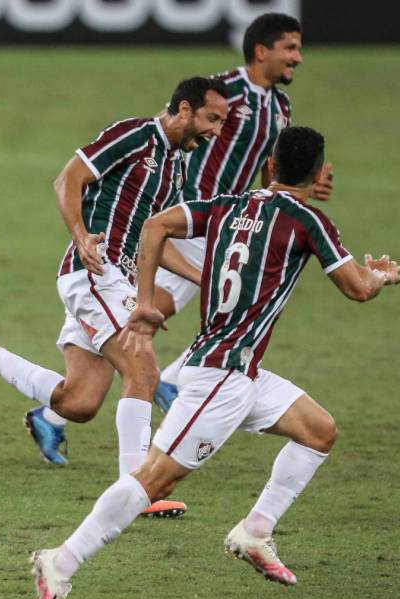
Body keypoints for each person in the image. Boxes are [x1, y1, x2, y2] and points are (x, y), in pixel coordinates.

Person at [28, 126, 400, 599]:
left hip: (240, 370)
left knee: (318, 431)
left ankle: (255, 531)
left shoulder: (226, 206)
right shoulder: (308, 220)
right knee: (154, 480)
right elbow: (357, 289)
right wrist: (381, 274)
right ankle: (61, 562)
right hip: (221, 378)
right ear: (316, 175)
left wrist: (143, 299)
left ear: (270, 164)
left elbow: (155, 225)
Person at [0, 77, 228, 516]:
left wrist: (201, 276)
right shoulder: (134, 134)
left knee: (80, 402)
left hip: (117, 282)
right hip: (95, 272)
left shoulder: (176, 168)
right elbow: (67, 179)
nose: (216, 131)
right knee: (143, 369)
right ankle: (137, 491)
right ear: (184, 110)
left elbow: (154, 241)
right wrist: (81, 237)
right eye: (212, 119)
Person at [152, 12, 334, 413]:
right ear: (260, 50)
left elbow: (272, 174)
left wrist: (304, 184)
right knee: (152, 313)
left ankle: (61, 409)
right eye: (290, 48)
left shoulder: (281, 106)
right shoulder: (223, 92)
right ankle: (162, 382)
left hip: (227, 226)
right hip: (193, 220)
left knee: (224, 311)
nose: (298, 58)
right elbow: (167, 128)